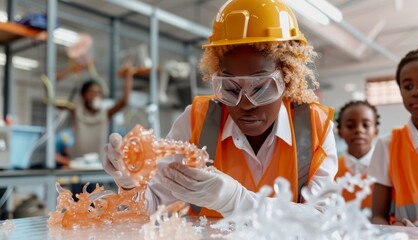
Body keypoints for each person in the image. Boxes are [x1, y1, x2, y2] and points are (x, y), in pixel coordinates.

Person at [104, 0, 338, 217]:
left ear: (287, 82)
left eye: (262, 88)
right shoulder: (196, 120)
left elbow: (323, 220)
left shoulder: (314, 126)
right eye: (231, 89)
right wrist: (128, 182)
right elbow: (154, 206)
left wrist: (235, 200)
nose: (245, 104)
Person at [369, 46, 418, 227]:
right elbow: (378, 216)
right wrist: (393, 233)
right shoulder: (387, 144)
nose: (416, 92)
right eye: (408, 86)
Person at [71, 62, 133, 159]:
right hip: (76, 161)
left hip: (97, 163)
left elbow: (124, 101)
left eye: (98, 93)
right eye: (91, 92)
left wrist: (128, 75)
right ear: (83, 95)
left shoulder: (105, 113)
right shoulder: (75, 111)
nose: (94, 95)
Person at [335, 100, 379, 208]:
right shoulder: (332, 169)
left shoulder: (387, 167)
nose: (359, 130)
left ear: (376, 131)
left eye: (366, 125)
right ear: (340, 132)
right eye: (350, 126)